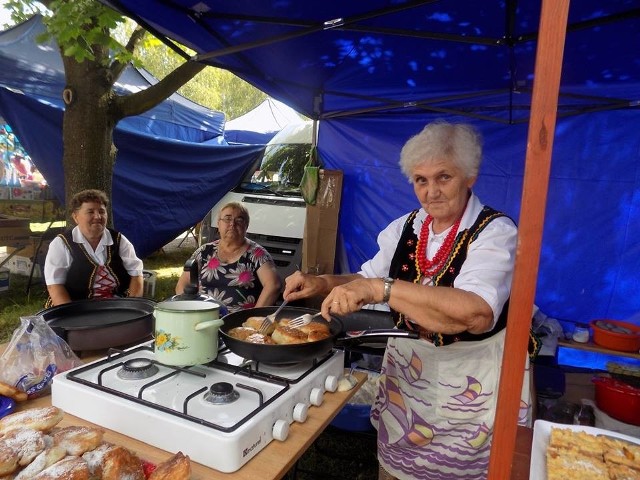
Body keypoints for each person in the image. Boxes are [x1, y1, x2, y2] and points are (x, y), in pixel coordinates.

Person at [283, 121, 532, 480]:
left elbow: (475, 313)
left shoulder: (495, 232)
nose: (431, 191)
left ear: (470, 176)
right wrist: (321, 282)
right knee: (399, 470)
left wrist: (381, 290)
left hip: (473, 383)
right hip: (411, 371)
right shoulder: (407, 227)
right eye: (420, 180)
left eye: (443, 177)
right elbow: (365, 277)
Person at [175, 201, 281, 313]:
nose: (232, 224)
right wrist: (190, 312)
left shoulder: (257, 254)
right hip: (203, 318)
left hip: (239, 322)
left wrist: (253, 318)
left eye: (239, 220)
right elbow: (182, 285)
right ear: (218, 224)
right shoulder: (204, 252)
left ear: (247, 225)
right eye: (227, 219)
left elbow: (274, 285)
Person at [44, 189, 144, 306]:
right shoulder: (61, 243)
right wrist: (72, 318)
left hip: (116, 304)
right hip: (74, 305)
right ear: (76, 217)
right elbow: (54, 285)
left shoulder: (119, 240)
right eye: (90, 212)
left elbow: (136, 274)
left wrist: (131, 306)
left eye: (102, 211)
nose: (97, 216)